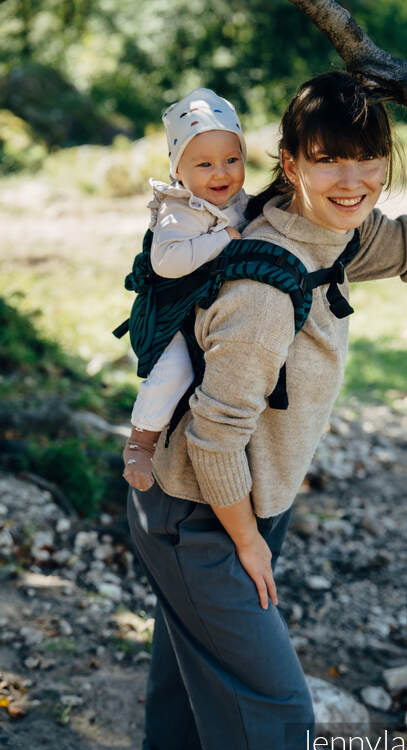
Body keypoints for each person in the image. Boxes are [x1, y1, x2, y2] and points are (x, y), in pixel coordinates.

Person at [126, 71, 407, 750]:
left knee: (194, 651)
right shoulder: (265, 290)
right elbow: (212, 440)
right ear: (290, 161)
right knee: (275, 709)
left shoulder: (332, 235)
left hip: (239, 500)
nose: (353, 179)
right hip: (198, 512)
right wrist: (245, 539)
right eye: (329, 159)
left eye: (367, 159)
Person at [123, 88, 248, 492]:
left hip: (204, 306)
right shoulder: (179, 210)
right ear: (180, 170)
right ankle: (140, 443)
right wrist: (223, 238)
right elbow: (168, 262)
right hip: (170, 313)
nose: (221, 173)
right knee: (175, 371)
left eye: (232, 160)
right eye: (205, 164)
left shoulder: (237, 199)